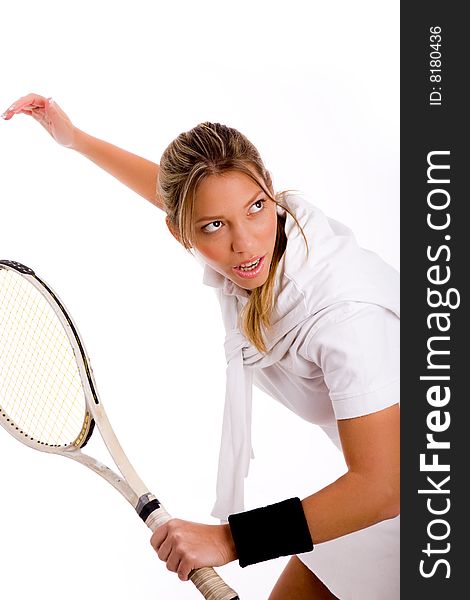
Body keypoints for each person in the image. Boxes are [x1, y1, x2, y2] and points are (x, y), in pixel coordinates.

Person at [2, 93, 400, 600]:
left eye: (257, 208)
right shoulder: (261, 240)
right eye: (216, 226)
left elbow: (383, 487)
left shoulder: (345, 317)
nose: (246, 242)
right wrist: (75, 140)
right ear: (181, 232)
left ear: (271, 194)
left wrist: (230, 540)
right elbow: (189, 198)